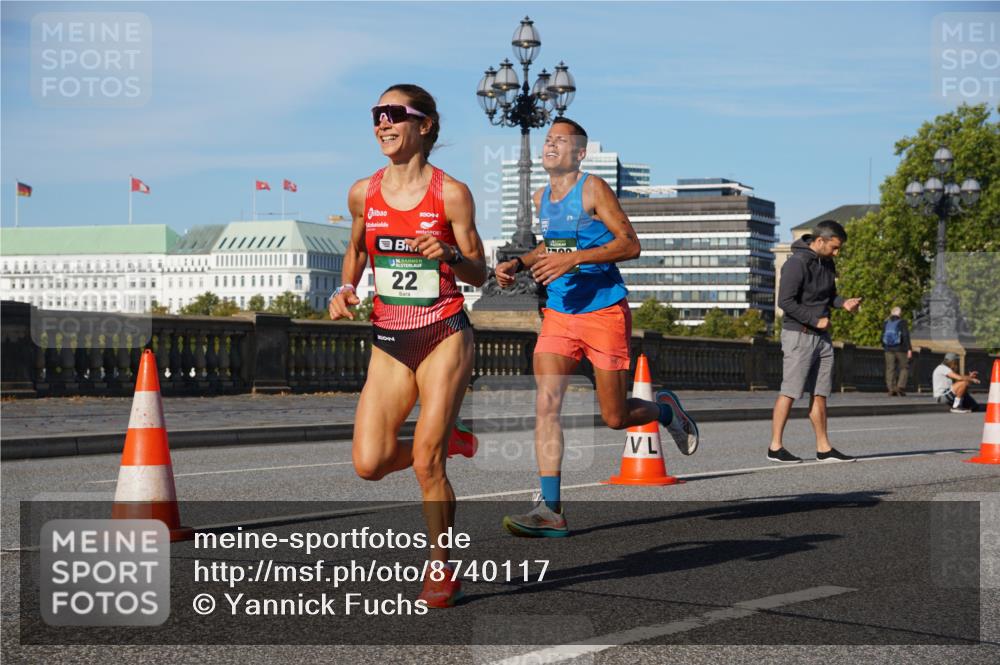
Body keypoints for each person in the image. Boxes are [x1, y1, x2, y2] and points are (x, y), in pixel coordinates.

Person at [493, 117, 699, 537]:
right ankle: (550, 509)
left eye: (559, 141)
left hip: (604, 313)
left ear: (580, 152)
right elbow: (555, 244)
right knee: (546, 404)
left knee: (615, 416)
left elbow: (630, 243)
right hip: (559, 315)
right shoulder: (541, 197)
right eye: (547, 140)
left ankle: (663, 409)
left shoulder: (593, 188)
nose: (550, 146)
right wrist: (518, 263)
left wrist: (576, 259)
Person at [328, 84, 488, 607]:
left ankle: (440, 566)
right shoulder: (363, 193)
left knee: (425, 463)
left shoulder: (452, 193)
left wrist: (447, 253)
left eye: (395, 115)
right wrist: (345, 287)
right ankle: (455, 441)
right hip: (390, 338)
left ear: (425, 125)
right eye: (377, 115)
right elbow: (354, 251)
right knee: (369, 463)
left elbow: (479, 271)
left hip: (443, 331)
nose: (382, 124)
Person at [768, 219, 862, 464]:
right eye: (834, 247)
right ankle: (775, 447)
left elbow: (830, 296)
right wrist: (814, 320)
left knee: (820, 393)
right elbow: (785, 302)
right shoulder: (796, 264)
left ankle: (824, 448)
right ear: (819, 241)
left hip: (822, 338)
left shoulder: (828, 264)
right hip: (798, 335)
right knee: (790, 392)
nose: (837, 252)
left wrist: (844, 303)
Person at [882, 306, 912, 396]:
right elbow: (906, 336)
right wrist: (909, 349)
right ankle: (900, 387)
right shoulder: (902, 322)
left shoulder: (886, 322)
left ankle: (891, 388)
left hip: (888, 348)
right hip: (900, 349)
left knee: (890, 368)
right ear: (900, 313)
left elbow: (882, 336)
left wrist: (885, 346)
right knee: (904, 367)